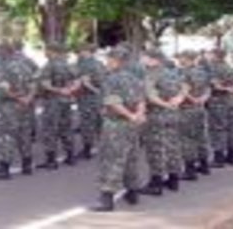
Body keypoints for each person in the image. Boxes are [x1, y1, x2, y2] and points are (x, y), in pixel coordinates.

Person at [91, 45, 146, 212]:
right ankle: (133, 192)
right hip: (133, 124)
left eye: (109, 59)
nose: (107, 62)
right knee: (131, 157)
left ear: (116, 61)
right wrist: (137, 115)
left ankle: (106, 198)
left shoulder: (111, 79)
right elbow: (141, 100)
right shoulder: (134, 79)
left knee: (111, 159)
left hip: (115, 124)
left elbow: (113, 102)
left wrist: (129, 115)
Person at [0, 43, 36, 179]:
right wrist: (27, 99)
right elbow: (33, 85)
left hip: (10, 107)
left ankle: (4, 167)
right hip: (25, 106)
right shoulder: (25, 66)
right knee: (24, 134)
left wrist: (18, 98)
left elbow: (5, 90)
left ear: (4, 52)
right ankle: (27, 164)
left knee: (7, 136)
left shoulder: (5, 69)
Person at [138, 49, 186, 196]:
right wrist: (178, 100)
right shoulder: (172, 72)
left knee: (156, 149)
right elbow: (184, 88)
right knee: (173, 146)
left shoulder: (151, 75)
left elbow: (151, 96)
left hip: (157, 115)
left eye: (145, 57)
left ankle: (156, 183)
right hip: (173, 115)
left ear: (154, 60)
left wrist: (166, 104)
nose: (142, 59)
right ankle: (173, 179)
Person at [37, 42, 79, 169]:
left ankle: (51, 160)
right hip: (66, 101)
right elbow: (78, 81)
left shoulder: (49, 66)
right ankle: (70, 156)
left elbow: (45, 84)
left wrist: (58, 90)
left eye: (46, 50)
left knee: (50, 129)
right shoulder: (69, 65)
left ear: (51, 51)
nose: (45, 52)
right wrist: (70, 90)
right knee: (66, 128)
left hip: (52, 102)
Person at [177, 51, 212, 180]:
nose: (179, 59)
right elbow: (208, 89)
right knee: (200, 136)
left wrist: (192, 99)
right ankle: (204, 165)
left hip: (187, 109)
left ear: (186, 58)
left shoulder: (184, 72)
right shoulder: (202, 72)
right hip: (199, 108)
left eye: (181, 57)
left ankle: (190, 170)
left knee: (187, 139)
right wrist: (202, 99)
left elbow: (183, 91)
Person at [207, 49, 233, 168]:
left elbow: (215, 85)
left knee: (218, 129)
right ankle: (231, 156)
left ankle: (219, 157)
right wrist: (231, 89)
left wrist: (225, 89)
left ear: (216, 56)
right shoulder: (229, 67)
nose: (209, 55)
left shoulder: (214, 68)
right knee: (231, 128)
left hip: (218, 101)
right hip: (231, 101)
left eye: (211, 53)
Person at [74, 43, 106, 160]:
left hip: (88, 98)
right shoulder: (100, 63)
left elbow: (82, 82)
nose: (79, 52)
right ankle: (105, 148)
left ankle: (87, 149)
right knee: (99, 124)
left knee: (87, 124)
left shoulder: (84, 65)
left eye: (81, 50)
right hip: (99, 97)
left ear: (86, 50)